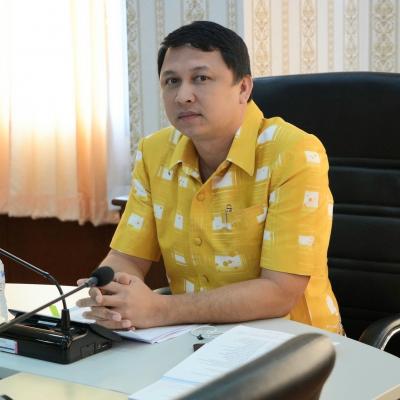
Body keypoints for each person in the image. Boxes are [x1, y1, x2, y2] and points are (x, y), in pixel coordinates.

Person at [77, 20, 343, 334]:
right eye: (171, 81)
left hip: (295, 342)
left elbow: (279, 292)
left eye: (201, 78)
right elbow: (127, 258)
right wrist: (109, 294)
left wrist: (160, 309)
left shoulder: (293, 153)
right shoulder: (154, 152)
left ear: (243, 88)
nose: (183, 96)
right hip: (196, 337)